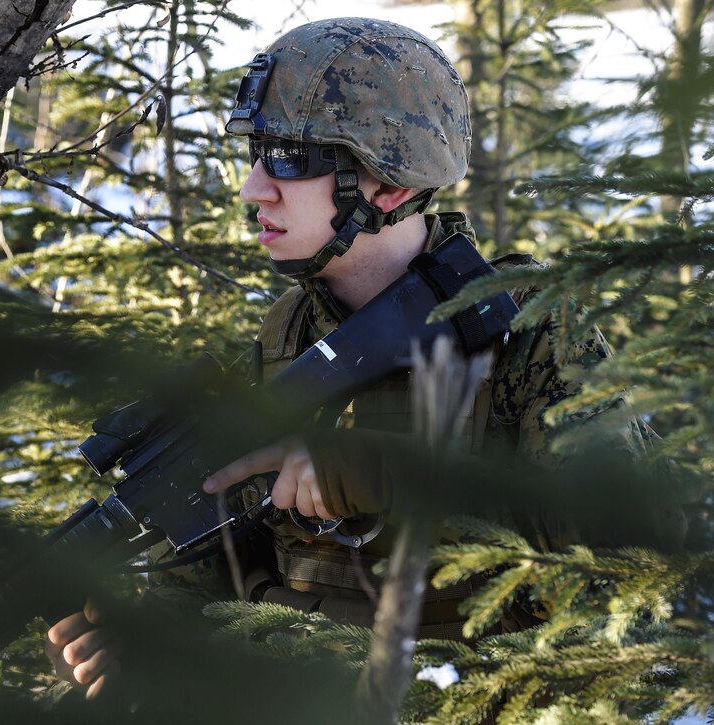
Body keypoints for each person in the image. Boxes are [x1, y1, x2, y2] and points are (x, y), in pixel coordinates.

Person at [45, 16, 655, 698]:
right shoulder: (286, 338)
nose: (253, 189)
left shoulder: (524, 330)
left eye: (288, 161)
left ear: (389, 186)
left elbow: (631, 568)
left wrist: (385, 477)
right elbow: (221, 584)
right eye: (255, 156)